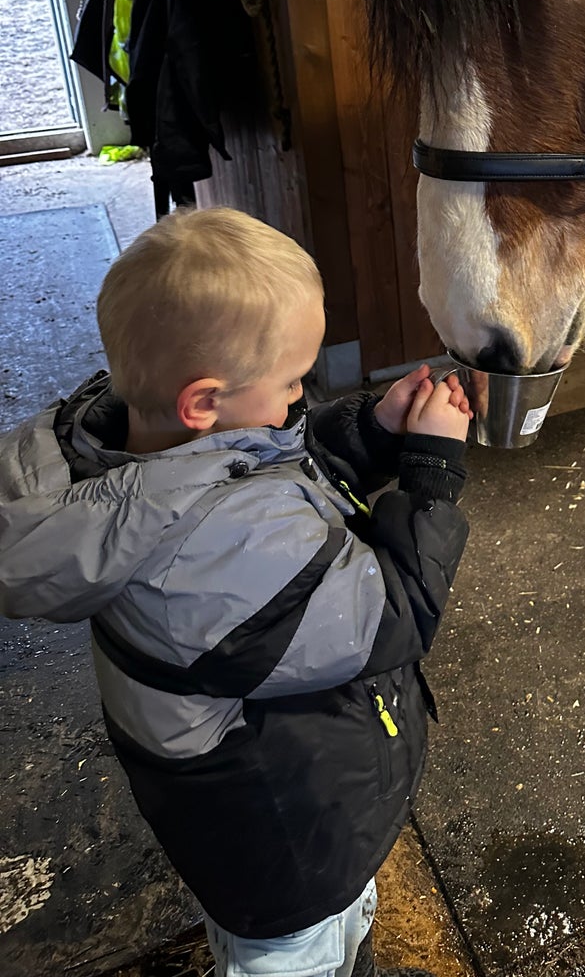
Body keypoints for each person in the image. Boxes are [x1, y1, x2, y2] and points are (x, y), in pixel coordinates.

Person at [0, 207, 472, 977]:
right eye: (292, 381)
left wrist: (374, 432)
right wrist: (431, 478)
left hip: (283, 808)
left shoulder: (146, 452)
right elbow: (390, 615)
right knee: (301, 957)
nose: (298, 400)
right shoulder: (202, 554)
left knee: (338, 933)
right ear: (203, 402)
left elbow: (266, 475)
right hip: (281, 849)